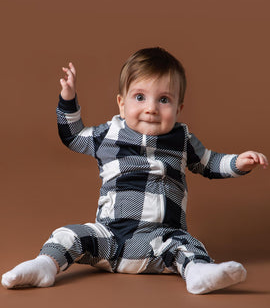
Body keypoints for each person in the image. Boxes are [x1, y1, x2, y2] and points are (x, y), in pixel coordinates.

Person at [1, 47, 268, 294]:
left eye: (164, 100)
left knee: (187, 245)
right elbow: (72, 136)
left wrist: (238, 163)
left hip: (159, 242)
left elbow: (210, 162)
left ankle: (197, 274)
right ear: (121, 103)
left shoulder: (182, 140)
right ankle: (44, 266)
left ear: (178, 109)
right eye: (140, 97)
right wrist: (68, 100)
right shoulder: (109, 134)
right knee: (69, 235)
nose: (151, 108)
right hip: (110, 238)